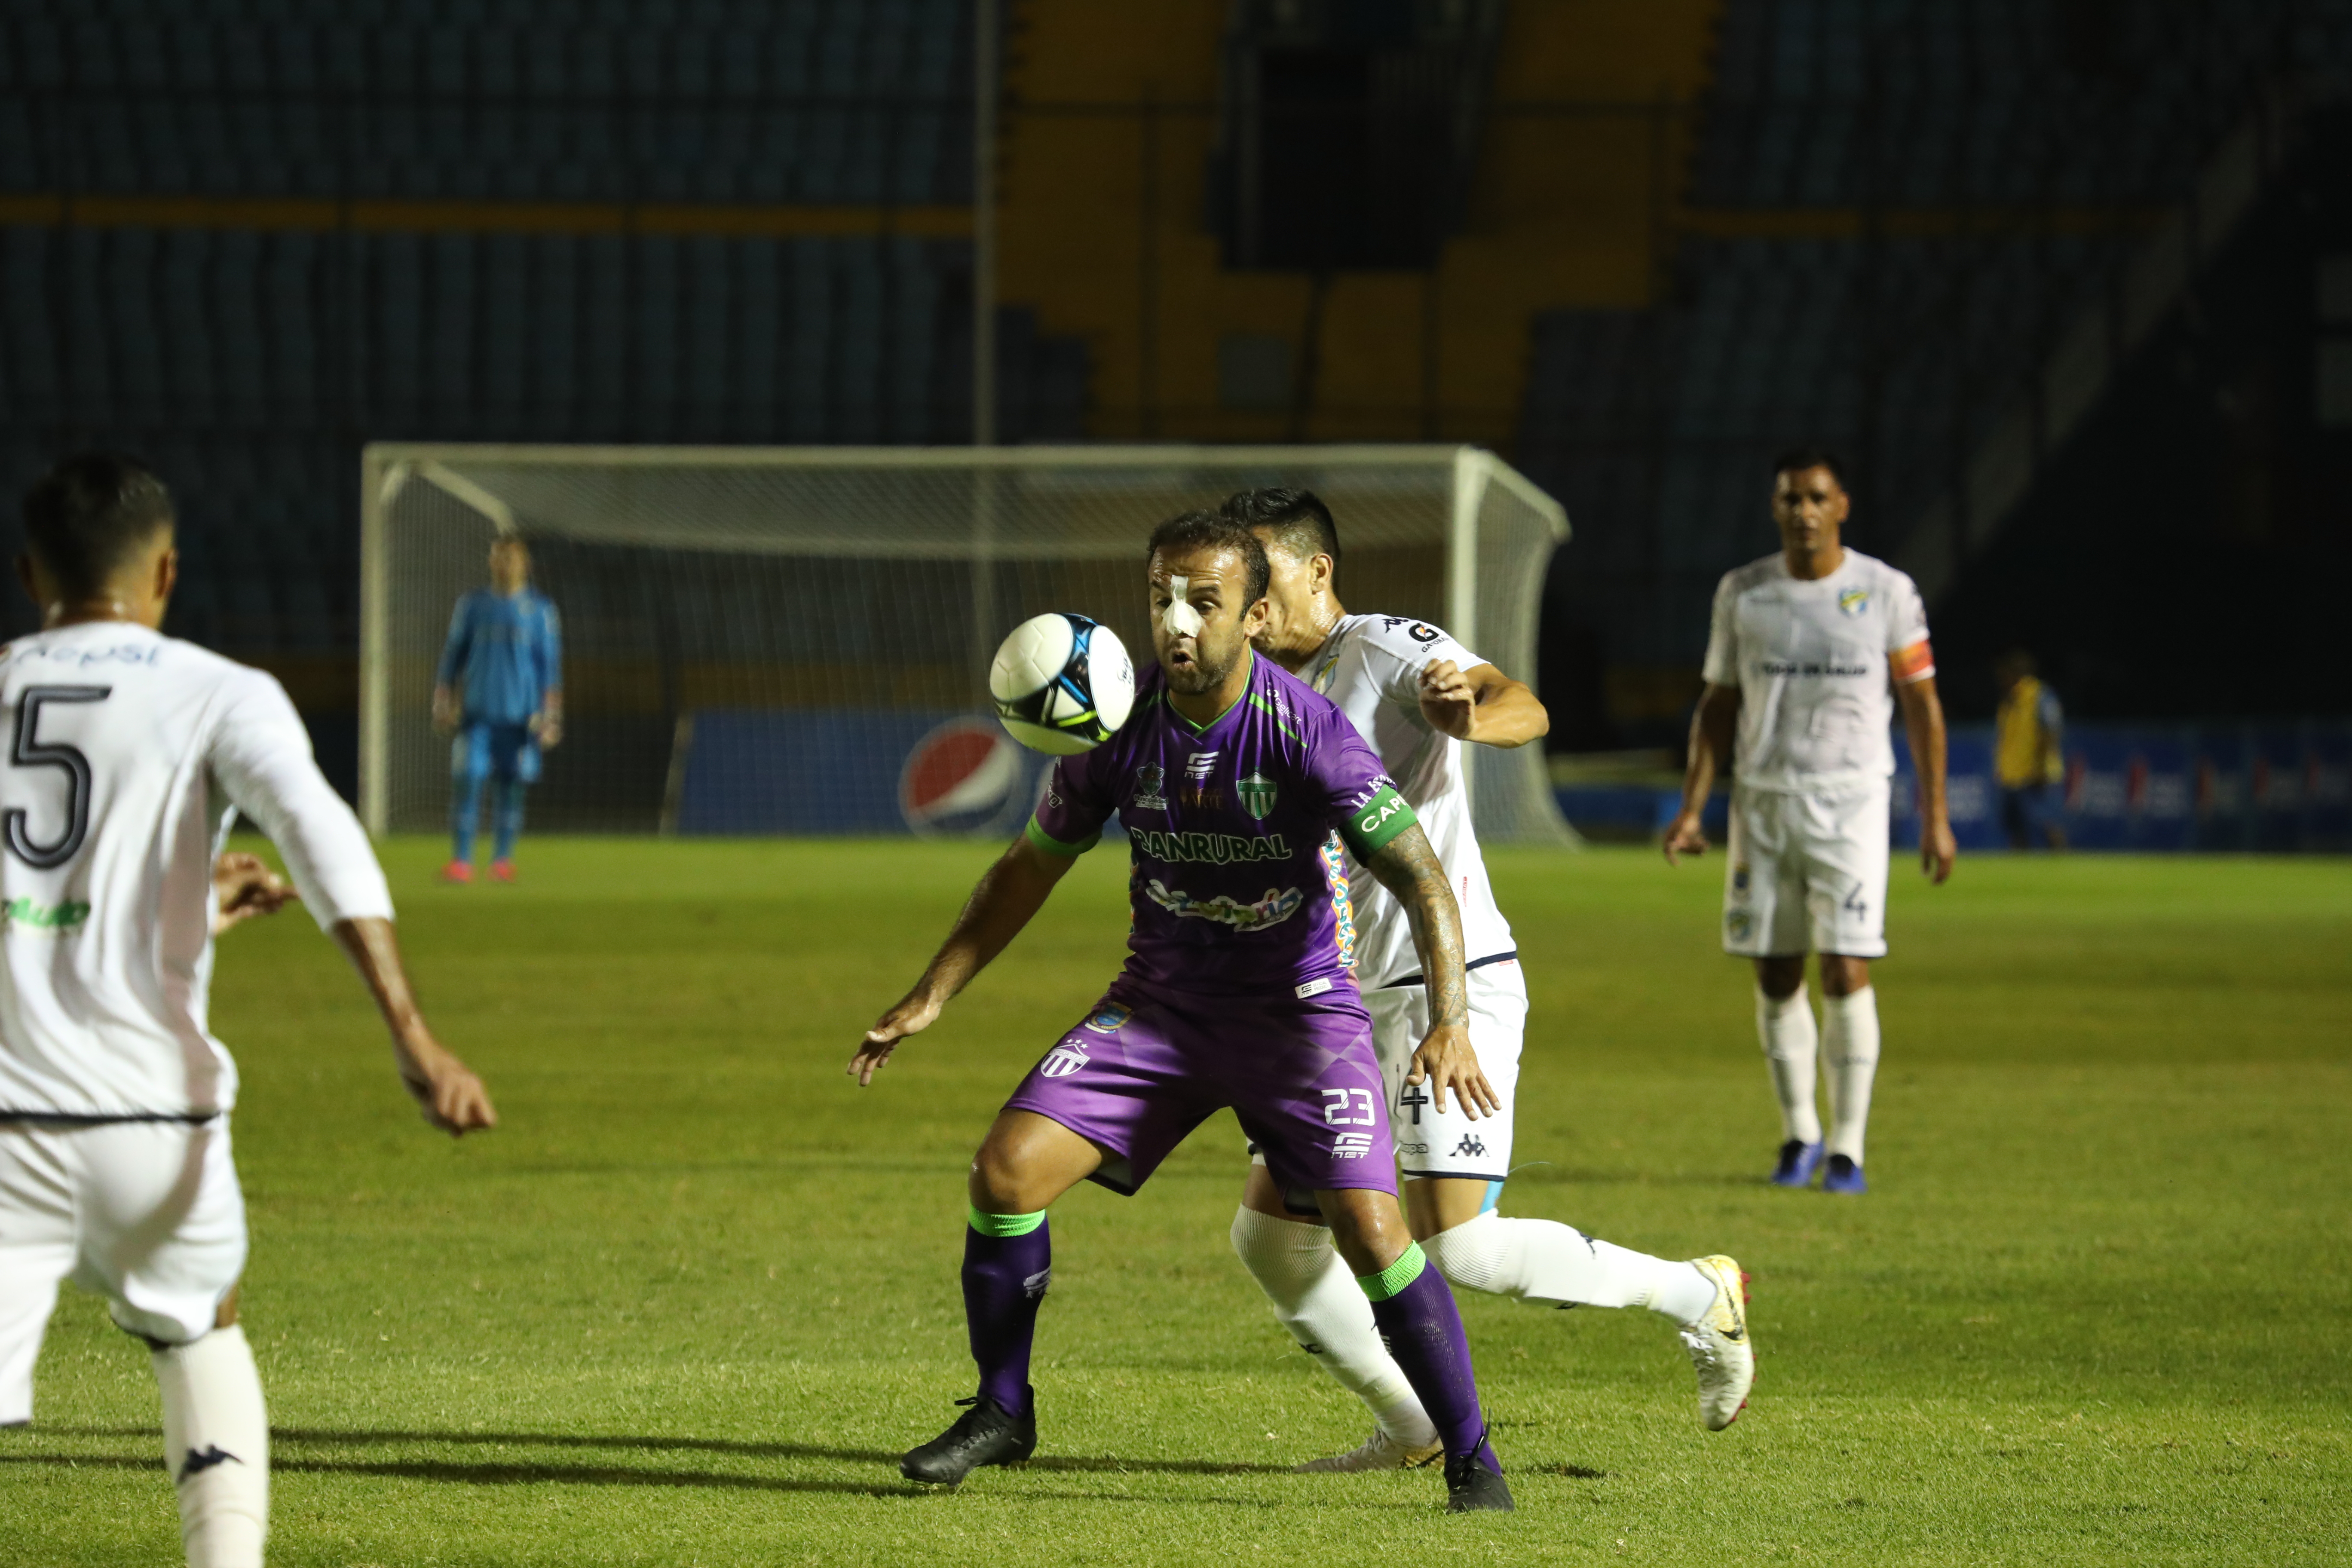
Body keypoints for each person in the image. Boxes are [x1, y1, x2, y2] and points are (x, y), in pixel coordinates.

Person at [848, 512, 1515, 1511]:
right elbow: (1028, 867)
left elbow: (1421, 877)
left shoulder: (1306, 730)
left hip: (1297, 1019)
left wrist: (1450, 1020)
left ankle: (1470, 1458)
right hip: (1157, 1012)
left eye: (1202, 602)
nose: (1175, 622)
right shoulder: (1115, 728)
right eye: (1160, 596)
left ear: (1252, 614)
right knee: (1004, 1173)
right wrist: (931, 991)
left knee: (1375, 1233)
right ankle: (1001, 1409)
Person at [0, 455, 497, 1568]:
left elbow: (32, 902)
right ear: (167, 571)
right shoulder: (218, 691)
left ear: (30, 572)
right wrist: (411, 1034)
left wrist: (181, 912)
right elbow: (322, 843)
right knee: (199, 1328)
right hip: (154, 1127)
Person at [1217, 489, 1755, 1470]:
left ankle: (1697, 1294)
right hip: (1326, 1010)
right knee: (1272, 1239)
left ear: (1316, 572)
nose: (1245, 599)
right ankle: (1412, 1424)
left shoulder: (1383, 652)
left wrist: (1470, 711)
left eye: (1262, 576)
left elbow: (1517, 703)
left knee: (1455, 1243)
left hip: (1442, 989)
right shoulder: (1248, 688)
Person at [1663, 450, 1954, 1197]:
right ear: (1776, 507)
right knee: (1774, 968)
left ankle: (1848, 1150)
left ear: (1841, 506)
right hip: (1762, 803)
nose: (1803, 510)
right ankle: (1799, 1133)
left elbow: (1920, 704)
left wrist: (1935, 817)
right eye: (1790, 498)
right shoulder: (1744, 592)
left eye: (1816, 497)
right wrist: (1694, 807)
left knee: (1844, 965)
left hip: (1851, 802)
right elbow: (1717, 704)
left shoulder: (1885, 591)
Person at [433, 535, 562, 883]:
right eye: (499, 558)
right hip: (477, 718)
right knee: (469, 780)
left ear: (525, 564)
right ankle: (462, 861)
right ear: (491, 562)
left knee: (511, 787)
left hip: (521, 722)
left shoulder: (539, 610)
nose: (504, 564)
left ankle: (502, 861)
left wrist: (551, 718)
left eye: (511, 558)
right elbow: (452, 656)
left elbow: (550, 668)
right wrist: (443, 699)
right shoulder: (473, 606)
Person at [1994, 649, 2066, 850]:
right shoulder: (2009, 701)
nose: (2001, 679)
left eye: (2005, 674)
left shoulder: (2040, 696)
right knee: (2017, 831)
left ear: (2015, 674)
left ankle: (2065, 871)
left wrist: (2042, 766)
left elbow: (2051, 731)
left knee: (2048, 824)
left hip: (2037, 774)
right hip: (2013, 776)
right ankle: (2018, 878)